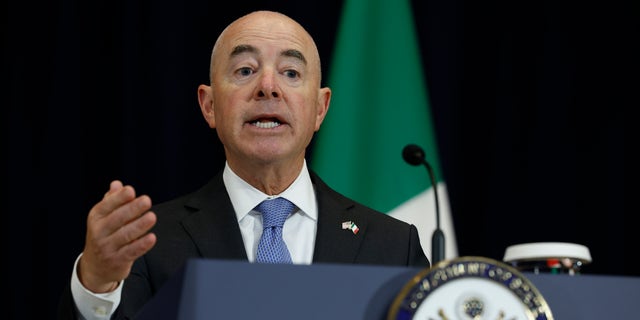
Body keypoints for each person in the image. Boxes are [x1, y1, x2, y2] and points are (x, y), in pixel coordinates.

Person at [57, 10, 429, 320]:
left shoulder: (394, 246)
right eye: (245, 70)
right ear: (209, 105)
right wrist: (97, 284)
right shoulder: (148, 243)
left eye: (291, 73)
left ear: (320, 108)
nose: (268, 86)